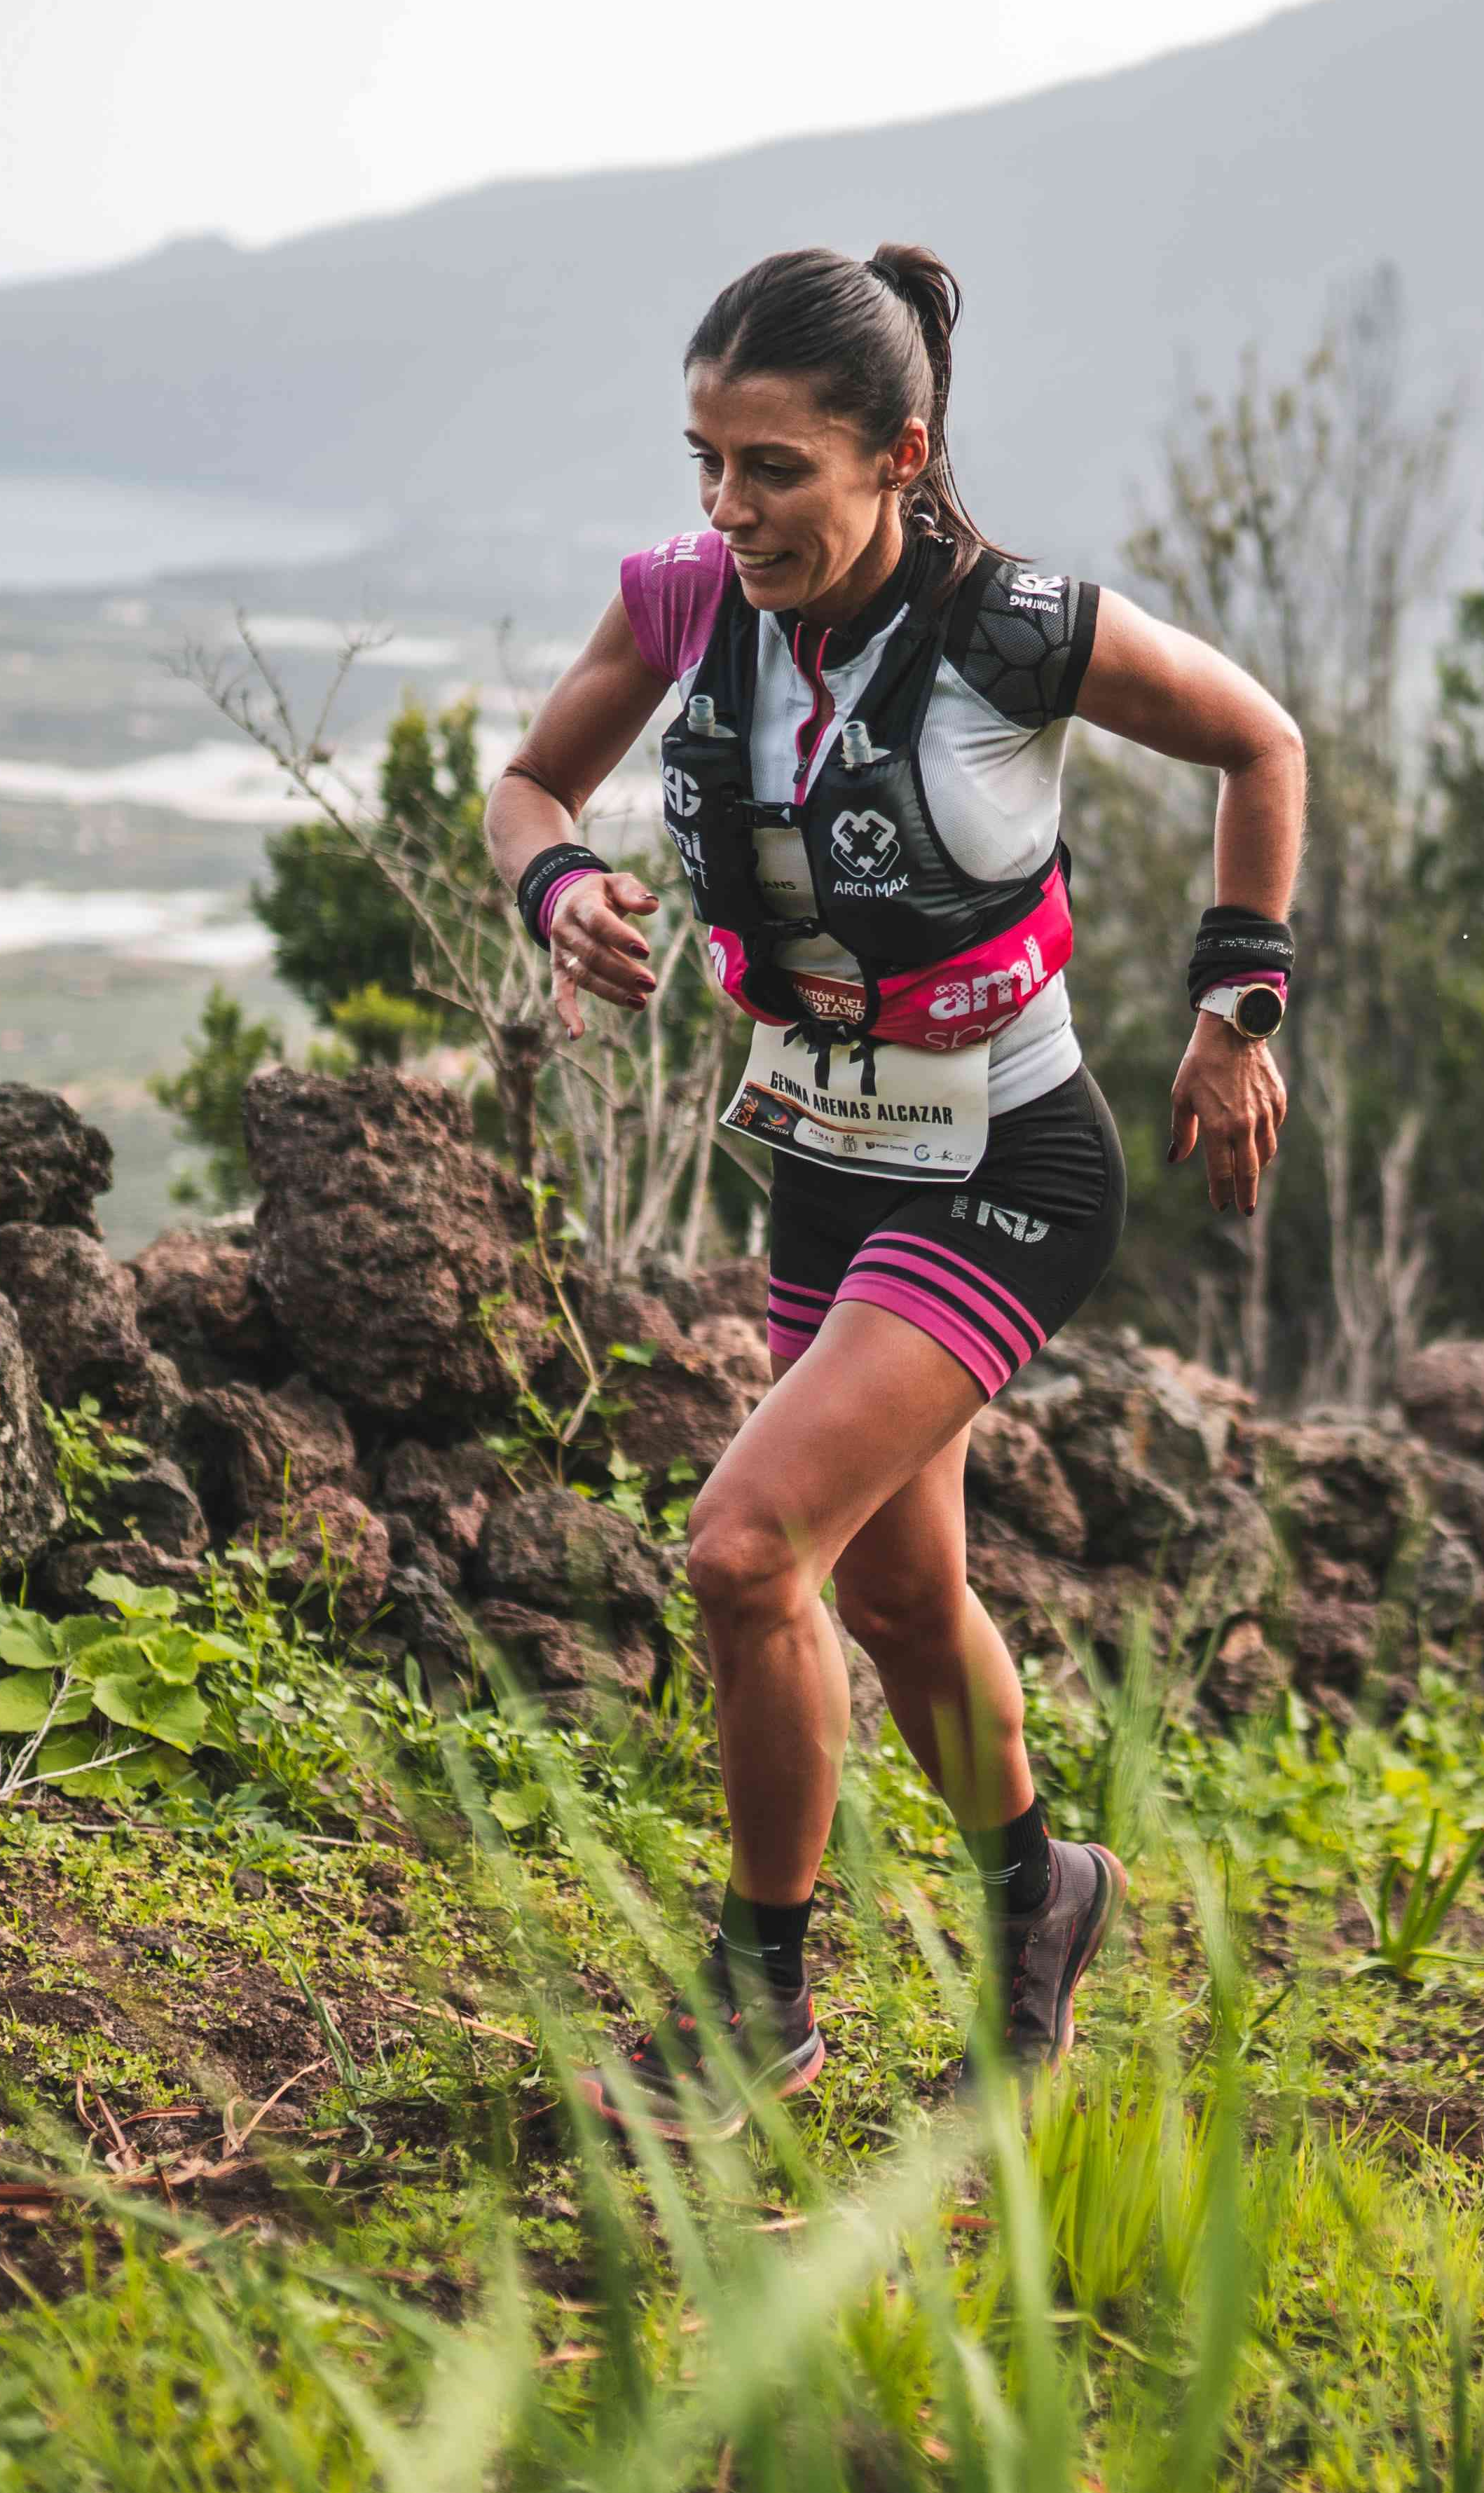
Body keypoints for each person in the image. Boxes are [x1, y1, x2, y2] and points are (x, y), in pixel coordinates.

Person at [484, 243, 1306, 2134]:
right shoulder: (689, 607)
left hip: (1011, 1154)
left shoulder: (1019, 628)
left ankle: (755, 2012)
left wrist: (1237, 1004)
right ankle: (1047, 1895)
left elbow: (1259, 742)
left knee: (745, 1548)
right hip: (830, 1160)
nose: (726, 504)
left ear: (898, 456)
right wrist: (564, 896)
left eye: (772, 465)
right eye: (706, 456)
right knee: (904, 1601)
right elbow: (532, 785)